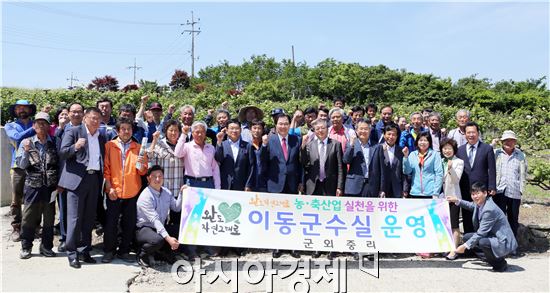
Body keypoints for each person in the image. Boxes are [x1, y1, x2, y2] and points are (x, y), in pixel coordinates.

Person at [58, 107, 107, 268]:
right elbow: (63, 153)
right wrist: (76, 147)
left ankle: (85, 251)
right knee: (74, 219)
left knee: (89, 218)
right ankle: (72, 253)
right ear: (85, 118)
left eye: (98, 119)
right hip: (76, 181)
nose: (95, 121)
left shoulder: (101, 136)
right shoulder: (73, 131)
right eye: (92, 118)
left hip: (94, 179)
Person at [101, 118, 149, 263]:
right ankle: (109, 251)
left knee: (129, 224)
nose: (126, 131)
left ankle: (124, 251)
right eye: (123, 128)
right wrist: (109, 188)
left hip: (132, 192)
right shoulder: (109, 146)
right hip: (114, 191)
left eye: (129, 129)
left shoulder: (139, 147)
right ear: (117, 130)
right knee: (111, 223)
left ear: (132, 131)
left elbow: (142, 172)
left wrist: (142, 166)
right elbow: (106, 169)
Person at [446, 182, 518, 272]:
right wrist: (456, 200)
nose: (475, 196)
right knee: (467, 237)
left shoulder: (489, 209)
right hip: (492, 236)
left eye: (477, 193)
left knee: (483, 242)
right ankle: (488, 258)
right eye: (473, 194)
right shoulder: (481, 203)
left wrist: (464, 246)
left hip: (503, 241)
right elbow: (470, 205)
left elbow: (481, 233)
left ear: (485, 193)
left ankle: (500, 264)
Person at [174, 120, 220, 258]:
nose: (199, 134)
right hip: (192, 184)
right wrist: (183, 134)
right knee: (192, 217)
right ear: (192, 133)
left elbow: (215, 169)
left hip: (208, 184)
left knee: (208, 217)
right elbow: (177, 153)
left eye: (202, 132)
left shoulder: (211, 148)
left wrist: (217, 188)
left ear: (205, 133)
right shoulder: (187, 146)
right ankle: (191, 249)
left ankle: (207, 246)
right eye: (196, 132)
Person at [16, 112, 58, 259]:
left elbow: (59, 164)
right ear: (33, 125)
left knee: (49, 218)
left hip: (50, 187)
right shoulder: (26, 142)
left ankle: (46, 247)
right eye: (38, 122)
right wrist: (26, 151)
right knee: (29, 217)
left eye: (44, 122)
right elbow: (21, 165)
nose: (41, 125)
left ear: (48, 126)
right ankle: (26, 246)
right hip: (32, 186)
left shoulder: (54, 142)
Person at [261, 114, 302, 259]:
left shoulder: (296, 140)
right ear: (276, 125)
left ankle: (292, 246)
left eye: (286, 124)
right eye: (280, 124)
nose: (283, 126)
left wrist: (300, 181)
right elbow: (263, 162)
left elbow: (299, 163)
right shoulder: (269, 140)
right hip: (274, 184)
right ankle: (277, 246)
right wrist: (264, 146)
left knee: (291, 217)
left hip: (291, 184)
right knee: (276, 217)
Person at [136, 165, 183, 267]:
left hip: (159, 227)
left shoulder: (166, 192)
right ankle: (142, 254)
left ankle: (163, 253)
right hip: (144, 229)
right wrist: (169, 239)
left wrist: (182, 193)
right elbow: (155, 220)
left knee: (182, 231)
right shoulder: (146, 196)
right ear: (148, 178)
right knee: (158, 240)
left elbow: (176, 208)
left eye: (160, 176)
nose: (157, 179)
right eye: (154, 176)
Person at [54, 102, 84, 252]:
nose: (75, 114)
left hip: (81, 177)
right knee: (65, 210)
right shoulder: (61, 132)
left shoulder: (86, 130)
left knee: (79, 212)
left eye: (79, 112)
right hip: (64, 177)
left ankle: (78, 239)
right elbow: (59, 157)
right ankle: (64, 239)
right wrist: (59, 180)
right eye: (72, 112)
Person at [5, 99, 37, 242]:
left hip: (35, 164)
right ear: (15, 111)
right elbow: (17, 138)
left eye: (25, 107)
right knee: (16, 198)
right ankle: (16, 228)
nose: (22, 110)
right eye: (19, 108)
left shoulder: (34, 123)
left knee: (35, 197)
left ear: (30, 110)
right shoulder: (10, 125)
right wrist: (36, 127)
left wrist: (36, 125)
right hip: (17, 166)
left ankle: (35, 227)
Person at [456, 122, 496, 233]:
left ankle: (482, 243)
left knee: (482, 215)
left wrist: (492, 186)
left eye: (473, 132)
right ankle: (469, 244)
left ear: (478, 133)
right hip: (465, 187)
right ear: (465, 134)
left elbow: (492, 169)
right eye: (468, 132)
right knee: (467, 215)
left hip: (481, 188)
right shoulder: (460, 150)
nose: (471, 135)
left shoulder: (487, 148)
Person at [146, 120, 185, 228]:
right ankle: (162, 243)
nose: (173, 133)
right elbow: (149, 155)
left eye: (176, 130)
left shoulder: (182, 145)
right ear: (166, 131)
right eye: (171, 130)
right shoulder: (160, 144)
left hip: (178, 188)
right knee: (162, 219)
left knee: (177, 220)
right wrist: (154, 139)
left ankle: (176, 243)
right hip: (163, 188)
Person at [493, 130, 527, 239]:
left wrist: (521, 189)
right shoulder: (496, 153)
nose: (509, 143)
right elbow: (484, 153)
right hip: (499, 190)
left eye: (511, 140)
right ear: (502, 142)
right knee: (499, 217)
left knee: (513, 219)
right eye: (506, 140)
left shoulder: (521, 155)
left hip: (514, 191)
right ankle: (501, 242)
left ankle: (512, 244)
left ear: (515, 142)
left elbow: (523, 173)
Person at [301, 118, 345, 197]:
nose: (320, 130)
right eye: (317, 129)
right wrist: (303, 147)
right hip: (313, 185)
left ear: (327, 129)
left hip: (330, 185)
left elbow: (340, 167)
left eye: (323, 128)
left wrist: (339, 187)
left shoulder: (336, 144)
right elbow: (304, 163)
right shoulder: (309, 145)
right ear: (314, 131)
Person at [439, 138, 464, 260]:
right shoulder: (440, 161)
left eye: (449, 148)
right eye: (444, 148)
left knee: (454, 224)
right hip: (441, 198)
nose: (447, 151)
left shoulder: (458, 162)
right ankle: (446, 247)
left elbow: (456, 180)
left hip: (453, 197)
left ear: (454, 150)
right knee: (444, 224)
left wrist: (450, 168)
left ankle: (454, 250)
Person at [402, 132, 443, 199]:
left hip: (430, 193)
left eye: (425, 140)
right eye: (420, 140)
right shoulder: (413, 154)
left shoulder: (435, 155)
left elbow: (439, 174)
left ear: (429, 142)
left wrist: (436, 192)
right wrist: (406, 157)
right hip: (415, 192)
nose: (423, 142)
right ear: (417, 142)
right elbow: (407, 171)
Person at [343, 119, 377, 197]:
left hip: (371, 185)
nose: (363, 131)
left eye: (366, 129)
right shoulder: (351, 144)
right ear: (356, 130)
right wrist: (351, 145)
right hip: (354, 185)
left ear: (370, 130)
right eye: (361, 129)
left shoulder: (376, 146)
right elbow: (346, 160)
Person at [370, 124, 406, 198]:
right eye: (389, 134)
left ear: (397, 136)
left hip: (396, 188)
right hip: (382, 188)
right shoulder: (379, 148)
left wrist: (404, 189)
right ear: (384, 135)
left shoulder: (400, 150)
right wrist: (379, 189)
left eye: (394, 135)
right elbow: (375, 170)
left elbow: (403, 172)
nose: (391, 137)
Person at [250, 119, 268, 192]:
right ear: (250, 129)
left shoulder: (267, 144)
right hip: (251, 182)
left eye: (259, 128)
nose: (257, 131)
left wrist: (264, 145)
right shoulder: (247, 145)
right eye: (254, 128)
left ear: (263, 130)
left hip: (264, 182)